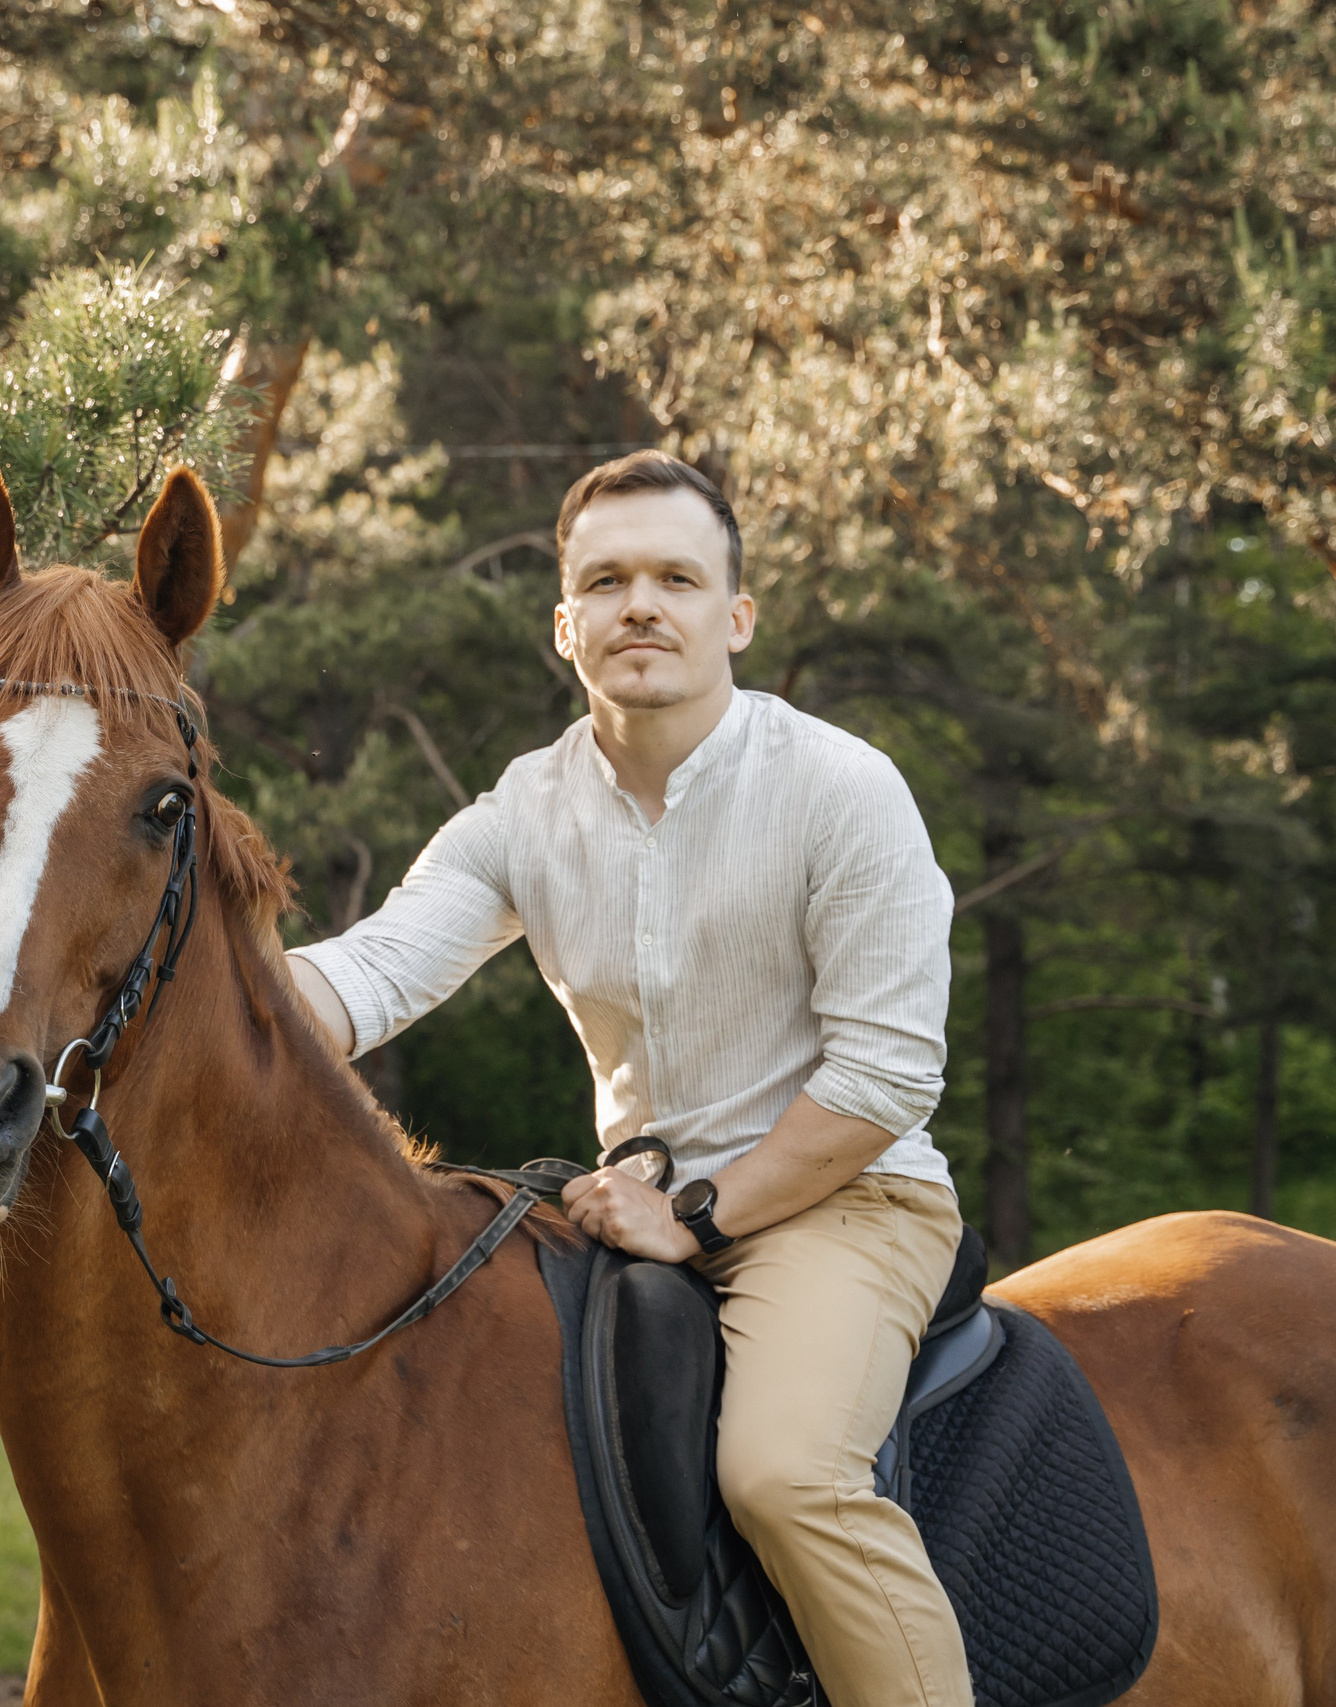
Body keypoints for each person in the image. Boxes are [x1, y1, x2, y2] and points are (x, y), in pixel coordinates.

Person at [287, 451, 968, 1707]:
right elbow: (371, 973)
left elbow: (885, 1078)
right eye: (605, 582)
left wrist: (697, 1216)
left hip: (846, 1203)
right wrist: (185, 1002)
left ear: (735, 617)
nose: (639, 605)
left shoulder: (840, 787)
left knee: (784, 1476)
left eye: (675, 579)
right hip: (632, 1218)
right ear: (566, 626)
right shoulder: (522, 812)